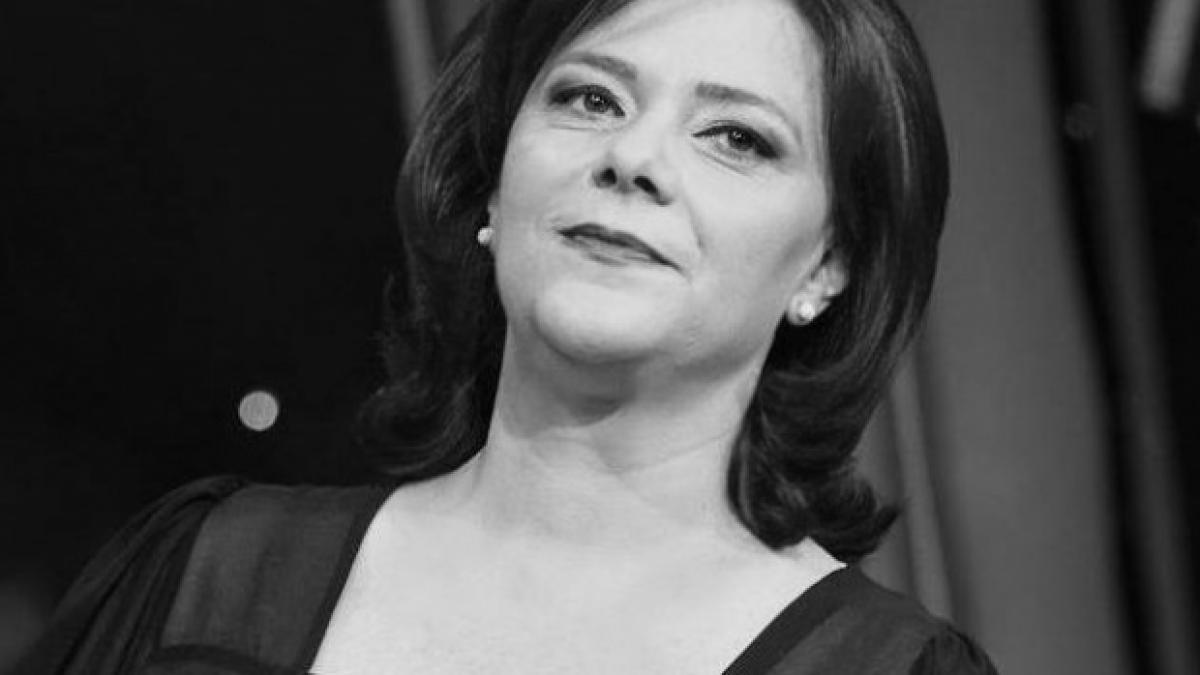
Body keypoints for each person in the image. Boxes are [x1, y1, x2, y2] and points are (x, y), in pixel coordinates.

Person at [17, 0, 998, 672]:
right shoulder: (207, 580)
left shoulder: (886, 666)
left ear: (828, 266)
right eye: (589, 97)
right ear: (492, 184)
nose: (632, 156)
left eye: (736, 137)